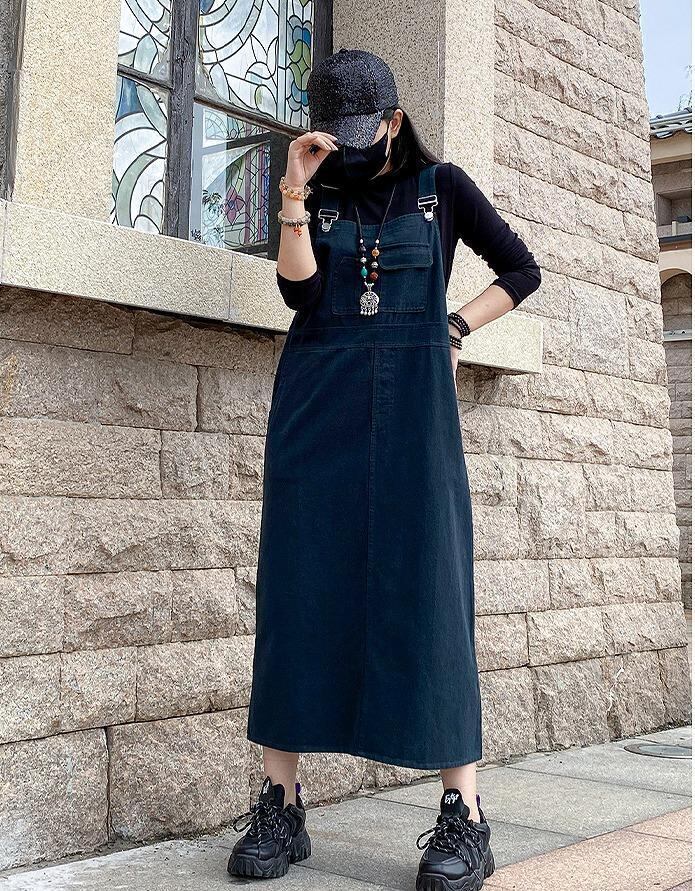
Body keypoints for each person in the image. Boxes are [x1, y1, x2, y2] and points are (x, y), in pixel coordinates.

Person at [226, 48, 542, 890]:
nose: (348, 143)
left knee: (430, 590)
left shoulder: (442, 187)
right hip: (315, 410)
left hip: (413, 419)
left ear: (394, 120)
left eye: (361, 130)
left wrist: (454, 327)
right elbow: (298, 294)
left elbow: (521, 269)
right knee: (299, 592)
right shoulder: (312, 187)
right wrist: (293, 194)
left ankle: (463, 815)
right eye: (334, 132)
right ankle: (280, 803)